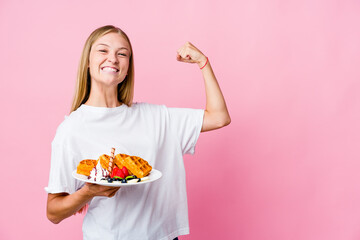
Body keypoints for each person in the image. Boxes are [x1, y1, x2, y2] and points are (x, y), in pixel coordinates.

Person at [45, 25, 230, 240]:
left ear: (127, 68)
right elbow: (53, 212)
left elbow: (219, 117)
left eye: (122, 54)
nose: (113, 59)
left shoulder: (156, 117)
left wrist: (203, 62)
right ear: (87, 61)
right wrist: (88, 192)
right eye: (103, 51)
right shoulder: (72, 129)